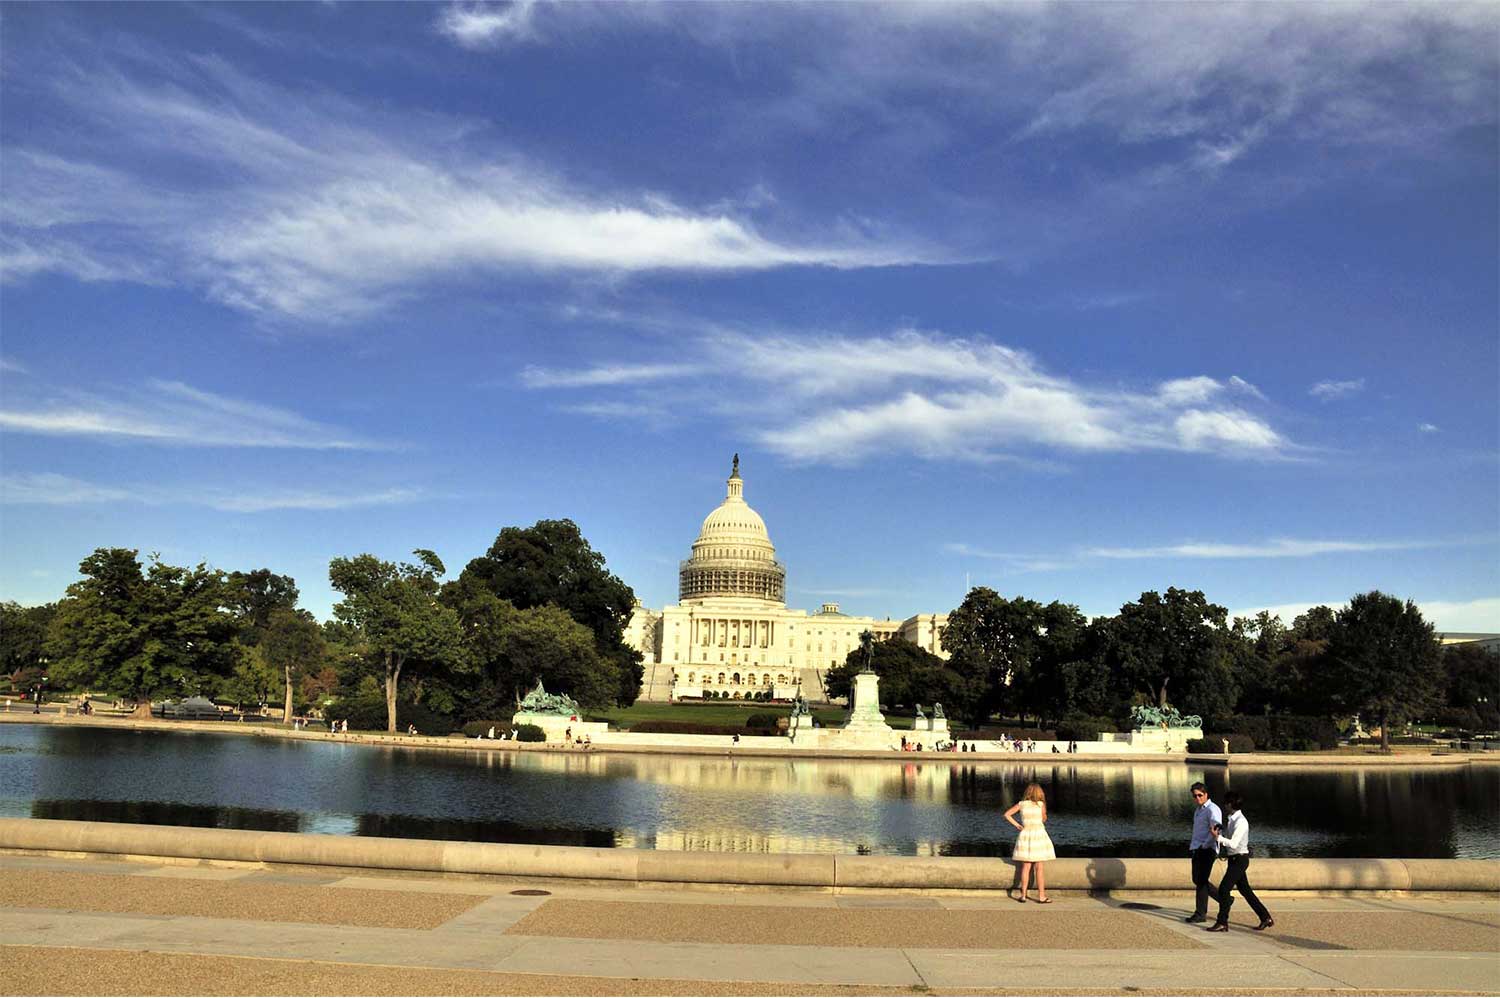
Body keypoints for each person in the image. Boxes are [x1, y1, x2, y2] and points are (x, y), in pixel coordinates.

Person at [1207, 791, 1274, 932]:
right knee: (1246, 891)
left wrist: (1217, 837)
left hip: (1240, 860)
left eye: (1226, 803)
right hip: (1235, 859)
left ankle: (1222, 922)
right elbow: (1230, 838)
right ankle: (1265, 917)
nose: (1224, 805)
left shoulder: (1241, 822)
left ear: (1230, 804)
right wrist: (1221, 832)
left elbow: (1233, 843)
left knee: (1224, 889)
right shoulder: (1232, 819)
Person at [1004, 782, 1055, 903]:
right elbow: (1044, 819)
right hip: (1038, 835)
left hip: (1025, 835)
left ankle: (1023, 895)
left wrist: (1017, 825)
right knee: (1039, 868)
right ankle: (1041, 896)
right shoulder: (1040, 804)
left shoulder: (1021, 804)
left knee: (1026, 867)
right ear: (1039, 793)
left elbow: (1007, 814)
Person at [1185, 781, 1222, 923]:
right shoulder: (1199, 810)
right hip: (1197, 848)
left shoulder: (1212, 809)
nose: (1197, 798)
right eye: (1195, 796)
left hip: (1207, 850)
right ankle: (1224, 898)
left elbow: (1216, 829)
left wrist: (1205, 846)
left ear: (1206, 794)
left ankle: (1200, 913)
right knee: (1197, 879)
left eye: (1200, 795)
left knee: (1200, 881)